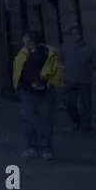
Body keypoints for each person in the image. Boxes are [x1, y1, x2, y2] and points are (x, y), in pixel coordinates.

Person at [12, 30, 64, 159]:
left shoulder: (48, 53)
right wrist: (17, 85)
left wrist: (49, 84)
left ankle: (46, 148)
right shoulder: (23, 53)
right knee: (27, 119)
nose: (25, 41)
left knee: (45, 121)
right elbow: (18, 69)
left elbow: (57, 71)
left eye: (27, 38)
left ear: (32, 39)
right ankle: (32, 147)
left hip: (44, 91)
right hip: (27, 91)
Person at [60, 26, 96, 133]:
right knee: (69, 103)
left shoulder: (88, 49)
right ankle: (76, 122)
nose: (75, 36)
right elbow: (60, 61)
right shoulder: (65, 48)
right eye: (72, 34)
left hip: (84, 81)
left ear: (81, 35)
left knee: (86, 105)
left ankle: (86, 127)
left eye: (77, 34)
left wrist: (90, 69)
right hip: (69, 81)